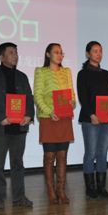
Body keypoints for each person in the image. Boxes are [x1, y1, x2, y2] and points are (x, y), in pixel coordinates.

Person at [0, 42, 35, 210]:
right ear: (1, 57)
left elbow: (29, 98)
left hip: (19, 127)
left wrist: (29, 115)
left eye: (16, 53)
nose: (15, 56)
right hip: (1, 127)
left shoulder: (22, 77)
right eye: (11, 52)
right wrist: (1, 118)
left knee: (18, 163)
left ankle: (19, 197)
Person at [77, 41, 108, 199]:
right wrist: (91, 115)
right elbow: (83, 96)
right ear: (88, 54)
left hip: (107, 120)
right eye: (95, 51)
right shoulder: (83, 74)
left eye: (100, 51)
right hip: (91, 120)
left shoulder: (106, 74)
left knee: (102, 153)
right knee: (91, 153)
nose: (98, 54)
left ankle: (101, 187)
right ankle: (90, 188)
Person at [34, 43, 75, 204]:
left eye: (61, 53)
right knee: (49, 156)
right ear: (48, 54)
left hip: (64, 118)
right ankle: (51, 191)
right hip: (48, 118)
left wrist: (72, 102)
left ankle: (61, 190)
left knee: (62, 156)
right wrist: (50, 111)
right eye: (56, 52)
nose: (60, 55)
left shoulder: (66, 71)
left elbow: (72, 94)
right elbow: (37, 95)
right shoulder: (41, 71)